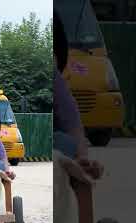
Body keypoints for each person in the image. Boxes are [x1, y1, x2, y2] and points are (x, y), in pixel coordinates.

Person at [53, 10, 103, 179]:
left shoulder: (55, 79)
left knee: (63, 141)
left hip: (57, 148)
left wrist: (83, 159)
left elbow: (73, 124)